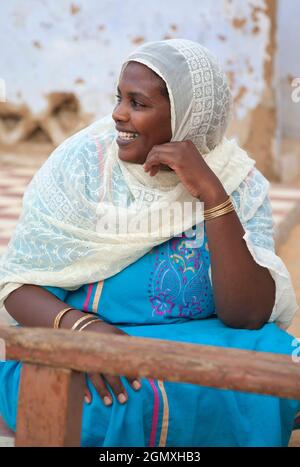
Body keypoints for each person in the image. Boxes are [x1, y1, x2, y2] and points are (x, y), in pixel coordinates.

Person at [0, 38, 299, 447]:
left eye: (138, 103)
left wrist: (213, 196)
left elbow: (245, 315)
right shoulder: (85, 164)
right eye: (119, 98)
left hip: (203, 338)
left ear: (188, 116)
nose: (118, 114)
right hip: (85, 341)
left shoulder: (235, 179)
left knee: (279, 368)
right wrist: (87, 331)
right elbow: (20, 286)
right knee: (118, 396)